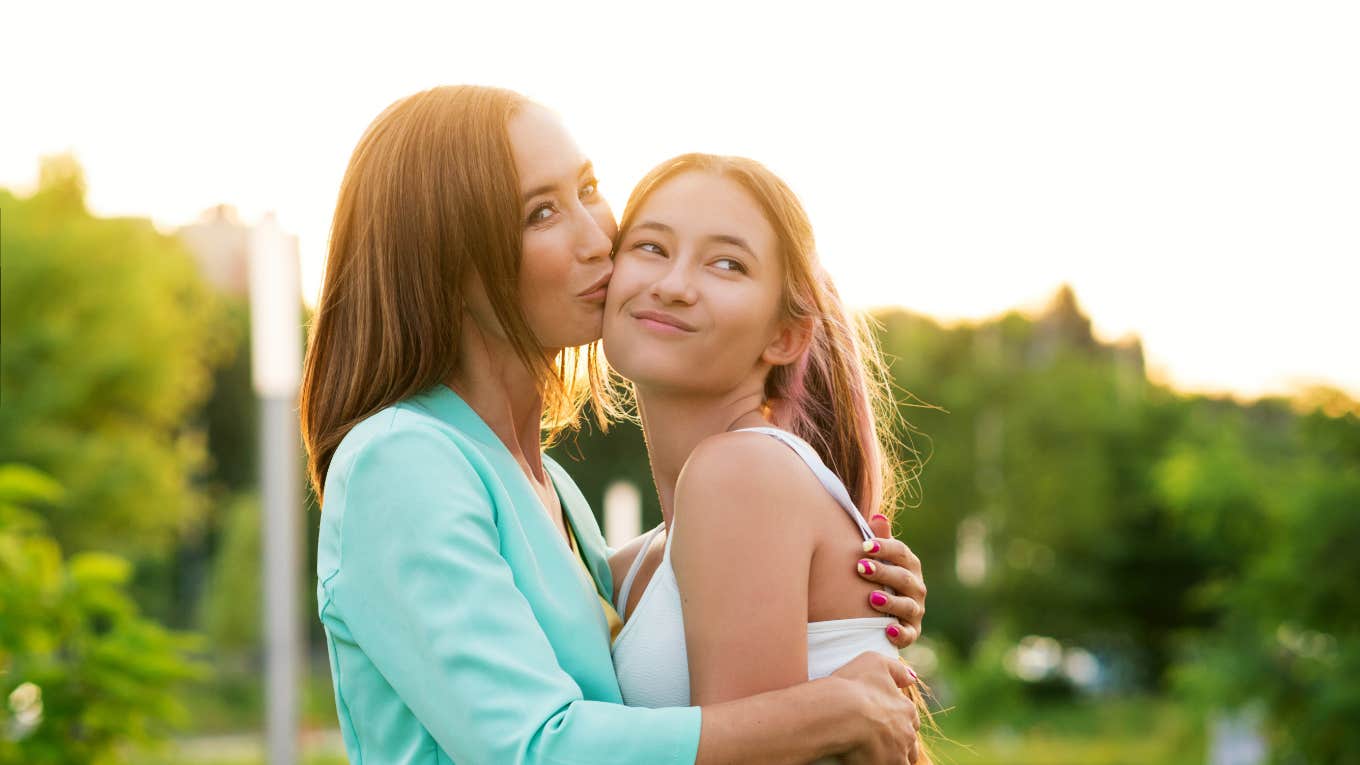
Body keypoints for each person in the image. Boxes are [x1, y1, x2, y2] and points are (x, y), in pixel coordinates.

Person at [302, 85, 927, 764]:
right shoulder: (401, 461)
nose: (599, 236)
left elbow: (687, 573)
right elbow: (536, 748)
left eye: (590, 188)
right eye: (542, 213)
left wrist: (837, 578)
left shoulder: (554, 489)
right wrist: (831, 706)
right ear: (447, 260)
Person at [604, 154, 933, 765]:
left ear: (784, 337)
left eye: (726, 263)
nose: (674, 283)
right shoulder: (632, 565)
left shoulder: (742, 474)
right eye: (650, 247)